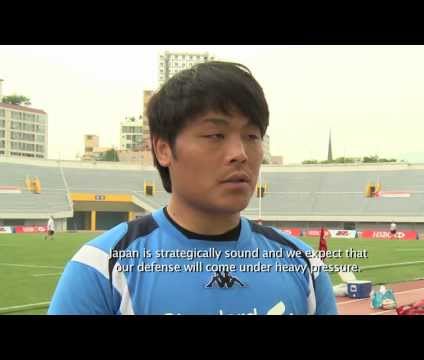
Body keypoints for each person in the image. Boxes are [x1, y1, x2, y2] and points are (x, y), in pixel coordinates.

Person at [48, 61, 337, 315]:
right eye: (215, 135)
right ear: (163, 149)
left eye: (252, 135)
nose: (240, 153)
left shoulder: (303, 264)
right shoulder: (102, 267)